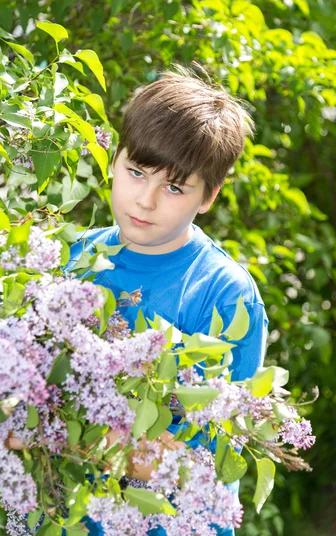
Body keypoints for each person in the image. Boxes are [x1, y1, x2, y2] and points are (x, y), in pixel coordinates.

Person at [65, 64, 268, 535]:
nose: (145, 200)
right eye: (136, 172)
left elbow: (205, 466)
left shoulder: (224, 295)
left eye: (174, 187)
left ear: (208, 197)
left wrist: (63, 434)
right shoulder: (73, 257)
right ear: (113, 161)